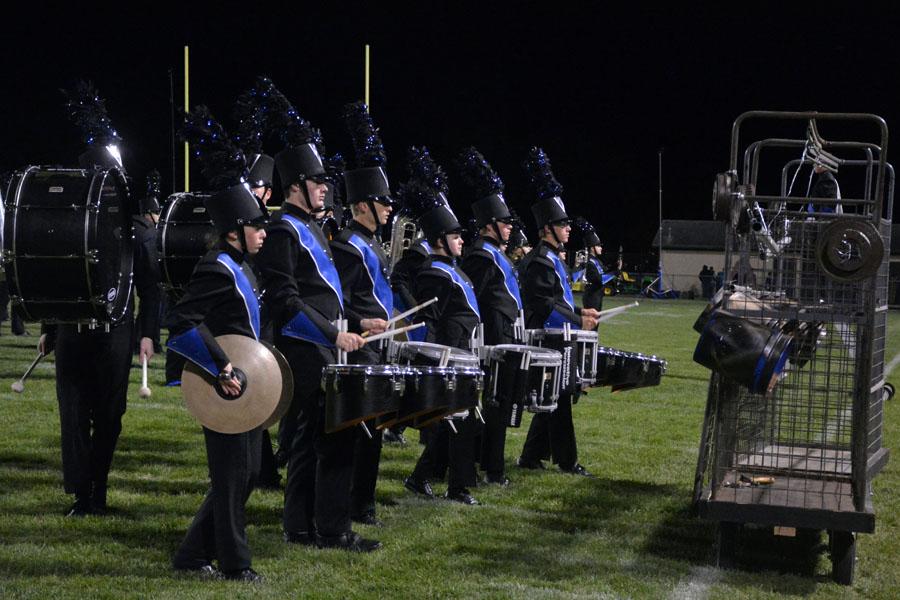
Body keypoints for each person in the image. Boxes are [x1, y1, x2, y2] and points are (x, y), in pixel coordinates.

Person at [255, 86, 380, 552]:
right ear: (295, 187)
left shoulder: (311, 229)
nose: (325, 186)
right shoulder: (283, 231)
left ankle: (302, 527)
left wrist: (357, 323)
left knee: (312, 443)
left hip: (323, 346)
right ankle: (331, 529)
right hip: (304, 350)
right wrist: (333, 333)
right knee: (328, 440)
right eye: (317, 180)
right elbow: (286, 300)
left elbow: (325, 294)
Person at [40, 83, 161, 517]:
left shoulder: (138, 232)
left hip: (116, 335)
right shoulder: (68, 227)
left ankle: (99, 490)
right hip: (74, 331)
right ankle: (81, 493)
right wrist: (51, 329)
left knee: (109, 416)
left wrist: (148, 334)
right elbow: (58, 279)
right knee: (73, 414)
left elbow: (150, 287)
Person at [167, 105, 269, 582]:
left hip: (247, 384)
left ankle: (192, 554)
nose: (264, 234)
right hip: (223, 383)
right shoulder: (216, 266)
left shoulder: (242, 267)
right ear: (234, 231)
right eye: (257, 227)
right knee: (231, 479)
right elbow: (181, 320)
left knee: (245, 475)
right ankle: (235, 565)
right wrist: (221, 366)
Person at [402, 147, 482, 505]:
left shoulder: (452, 269)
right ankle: (458, 487)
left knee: (457, 425)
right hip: (449, 358)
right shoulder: (433, 273)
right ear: (438, 240)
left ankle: (421, 479)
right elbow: (428, 323)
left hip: (464, 354)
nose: (462, 240)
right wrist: (434, 366)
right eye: (455, 235)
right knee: (459, 425)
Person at [516, 147, 599, 477]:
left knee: (556, 398)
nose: (568, 230)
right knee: (561, 398)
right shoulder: (537, 262)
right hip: (545, 339)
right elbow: (546, 303)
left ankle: (530, 456)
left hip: (560, 336)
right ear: (546, 229)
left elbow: (560, 298)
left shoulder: (554, 259)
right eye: (562, 225)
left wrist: (583, 313)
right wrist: (579, 319)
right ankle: (567, 461)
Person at [330, 102, 394, 526]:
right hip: (360, 348)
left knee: (377, 429)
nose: (390, 209)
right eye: (384, 203)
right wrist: (360, 324)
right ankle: (356, 503)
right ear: (364, 205)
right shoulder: (348, 245)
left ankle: (363, 499)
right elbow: (340, 304)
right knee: (362, 430)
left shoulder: (371, 243)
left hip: (379, 345)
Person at [456, 146, 521, 486]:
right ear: (489, 225)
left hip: (506, 338)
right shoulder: (481, 256)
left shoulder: (495, 254)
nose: (510, 228)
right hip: (492, 342)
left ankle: (487, 463)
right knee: (493, 408)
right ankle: (491, 469)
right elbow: (477, 300)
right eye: (505, 222)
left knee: (499, 407)